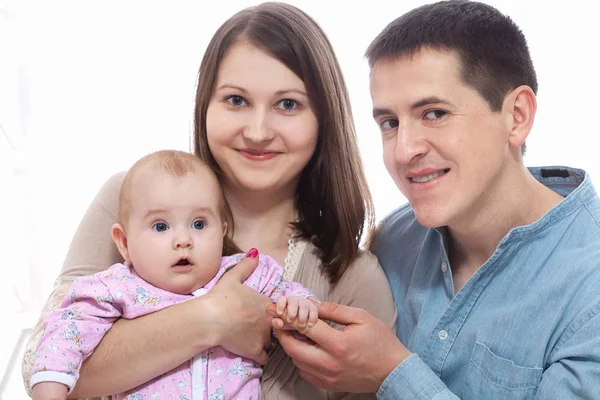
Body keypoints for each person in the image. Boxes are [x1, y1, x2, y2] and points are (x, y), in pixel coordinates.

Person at [22, 2, 397, 400]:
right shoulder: (132, 201)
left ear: (324, 117)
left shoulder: (353, 276)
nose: (257, 131)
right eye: (236, 100)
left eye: (287, 104)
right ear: (205, 105)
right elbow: (42, 364)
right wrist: (211, 319)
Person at [269, 1, 600, 399]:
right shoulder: (394, 239)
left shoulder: (589, 289)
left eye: (434, 113)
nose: (404, 150)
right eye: (389, 123)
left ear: (517, 116)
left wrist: (391, 376)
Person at [30, 150, 319, 400]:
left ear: (222, 231)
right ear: (124, 242)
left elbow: (289, 293)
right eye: (160, 226)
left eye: (198, 223)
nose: (183, 239)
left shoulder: (245, 274)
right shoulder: (115, 288)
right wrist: (51, 386)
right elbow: (65, 333)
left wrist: (300, 304)